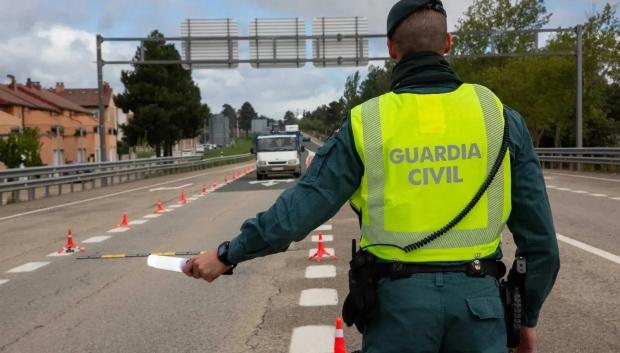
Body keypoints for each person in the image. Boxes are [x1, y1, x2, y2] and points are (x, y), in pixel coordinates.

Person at [182, 1, 560, 352]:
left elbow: (297, 213)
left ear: (391, 49)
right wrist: (525, 318)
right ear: (447, 43)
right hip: (480, 310)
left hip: (398, 310)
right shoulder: (499, 118)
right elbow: (541, 243)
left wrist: (227, 254)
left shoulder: (368, 123)